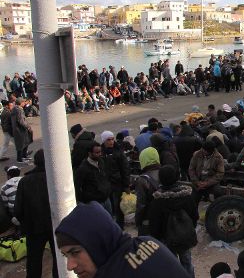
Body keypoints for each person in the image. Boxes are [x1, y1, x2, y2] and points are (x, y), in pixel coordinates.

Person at [55, 201, 190, 278]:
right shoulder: (146, 242)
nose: (70, 266)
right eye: (65, 255)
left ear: (98, 243)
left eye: (75, 252)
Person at [14, 149, 59, 278]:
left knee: (34, 261)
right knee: (59, 258)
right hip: (54, 226)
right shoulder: (56, 179)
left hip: (33, 228)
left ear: (35, 162)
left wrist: (25, 223)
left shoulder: (25, 181)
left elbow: (17, 209)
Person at [149, 165, 198, 276]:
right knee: (187, 262)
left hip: (167, 239)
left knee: (171, 265)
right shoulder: (187, 196)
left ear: (161, 179)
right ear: (176, 177)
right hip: (184, 237)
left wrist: (157, 238)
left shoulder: (157, 201)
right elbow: (195, 215)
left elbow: (154, 225)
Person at [101, 131, 130, 229]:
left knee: (118, 206)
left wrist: (126, 185)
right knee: (108, 207)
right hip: (105, 184)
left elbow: (125, 169)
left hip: (117, 183)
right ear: (104, 141)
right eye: (108, 140)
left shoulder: (118, 152)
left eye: (112, 139)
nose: (111, 141)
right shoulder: (100, 152)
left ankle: (119, 226)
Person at [76, 142, 112, 213]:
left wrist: (108, 189)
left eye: (100, 152)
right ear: (89, 153)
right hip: (94, 202)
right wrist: (86, 200)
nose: (100, 154)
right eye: (97, 152)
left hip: (106, 199)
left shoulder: (101, 162)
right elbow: (78, 186)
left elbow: (106, 177)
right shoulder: (83, 168)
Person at [135, 147, 161, 235]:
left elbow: (141, 205)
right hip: (164, 218)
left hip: (149, 220)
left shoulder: (142, 180)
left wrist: (138, 221)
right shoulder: (165, 172)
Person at [188, 140, 224, 205]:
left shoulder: (218, 157)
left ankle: (216, 208)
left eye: (204, 150)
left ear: (210, 151)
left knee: (218, 192)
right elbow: (191, 169)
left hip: (211, 180)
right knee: (193, 198)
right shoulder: (197, 154)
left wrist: (207, 183)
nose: (202, 151)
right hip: (198, 179)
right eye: (202, 149)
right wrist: (196, 181)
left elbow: (220, 173)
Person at [11, 97, 33, 163]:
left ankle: (24, 156)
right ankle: (20, 158)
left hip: (17, 129)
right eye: (23, 102)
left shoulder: (15, 109)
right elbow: (21, 121)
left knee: (23, 143)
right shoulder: (19, 109)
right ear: (21, 103)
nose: (24, 103)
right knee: (21, 144)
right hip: (20, 130)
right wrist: (28, 127)